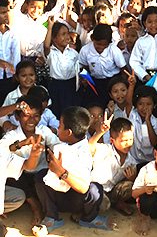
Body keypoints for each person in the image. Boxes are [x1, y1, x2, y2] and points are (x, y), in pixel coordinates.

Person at [33, 106, 116, 234]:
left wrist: (61, 172)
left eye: (60, 125)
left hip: (76, 200)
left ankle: (89, 218)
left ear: (69, 132)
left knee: (95, 190)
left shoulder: (82, 152)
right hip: (58, 197)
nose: (58, 129)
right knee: (40, 176)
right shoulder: (66, 146)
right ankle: (51, 216)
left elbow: (83, 188)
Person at [0, 96, 60, 225]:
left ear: (41, 116)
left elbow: (58, 145)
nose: (31, 120)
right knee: (15, 176)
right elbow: (2, 152)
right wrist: (22, 143)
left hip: (39, 176)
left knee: (44, 176)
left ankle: (44, 207)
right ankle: (35, 207)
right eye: (26, 116)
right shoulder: (12, 135)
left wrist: (51, 153)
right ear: (17, 117)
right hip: (20, 179)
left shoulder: (44, 131)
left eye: (36, 116)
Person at [89, 117, 137, 216]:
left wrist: (132, 178)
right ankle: (84, 213)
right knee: (104, 205)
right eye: (124, 140)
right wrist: (100, 132)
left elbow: (135, 182)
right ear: (112, 140)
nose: (128, 143)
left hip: (112, 190)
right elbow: (89, 147)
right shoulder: (105, 150)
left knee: (130, 186)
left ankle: (117, 203)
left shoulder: (131, 161)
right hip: (96, 190)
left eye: (130, 139)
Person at [78, 23, 127, 106]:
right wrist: (85, 78)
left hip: (112, 81)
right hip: (95, 82)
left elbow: (123, 70)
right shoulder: (85, 50)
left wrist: (121, 85)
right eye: (98, 44)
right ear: (92, 39)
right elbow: (84, 67)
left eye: (105, 45)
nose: (101, 47)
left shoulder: (114, 51)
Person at [44, 17, 80, 118]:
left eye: (68, 33)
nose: (67, 37)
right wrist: (50, 28)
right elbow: (46, 46)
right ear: (54, 38)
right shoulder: (51, 53)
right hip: (56, 86)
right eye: (63, 34)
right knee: (57, 111)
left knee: (70, 112)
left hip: (71, 85)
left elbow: (78, 69)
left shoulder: (74, 53)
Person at [129, 86, 157, 164]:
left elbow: (155, 143)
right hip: (132, 161)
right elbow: (128, 102)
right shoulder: (131, 115)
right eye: (140, 104)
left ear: (154, 106)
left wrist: (148, 121)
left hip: (150, 162)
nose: (144, 108)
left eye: (148, 104)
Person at [0, 0, 20, 105]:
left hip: (9, 77)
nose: (6, 15)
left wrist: (16, 73)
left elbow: (16, 55)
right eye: (3, 13)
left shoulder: (12, 33)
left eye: (7, 12)